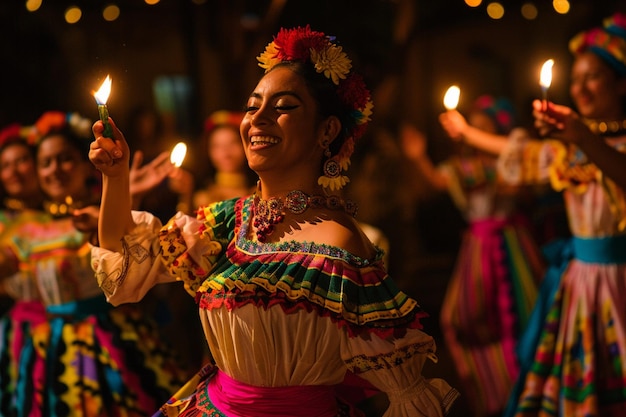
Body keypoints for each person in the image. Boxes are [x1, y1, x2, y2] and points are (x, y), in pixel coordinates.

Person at [89, 25, 460, 416]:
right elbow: (123, 260)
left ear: (328, 130)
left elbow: (405, 393)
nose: (259, 119)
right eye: (252, 106)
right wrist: (116, 176)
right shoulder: (222, 222)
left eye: (283, 107)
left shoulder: (340, 245)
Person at [445, 13, 626, 417]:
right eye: (575, 79)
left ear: (621, 83)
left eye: (593, 77)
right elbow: (518, 154)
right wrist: (466, 133)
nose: (580, 87)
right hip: (582, 281)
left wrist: (582, 136)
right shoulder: (567, 149)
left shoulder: (589, 142)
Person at [0, 111, 188, 416]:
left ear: (84, 165)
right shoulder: (25, 228)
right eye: (45, 163)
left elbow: (123, 249)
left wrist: (126, 196)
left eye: (65, 159)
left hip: (111, 340)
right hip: (49, 351)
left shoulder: (100, 216)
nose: (55, 170)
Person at [403, 96, 546, 417]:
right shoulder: (463, 168)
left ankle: (533, 389)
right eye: (469, 127)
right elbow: (437, 181)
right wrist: (417, 157)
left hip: (513, 244)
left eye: (479, 128)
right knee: (465, 317)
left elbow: (525, 189)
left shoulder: (512, 161)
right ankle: (496, 392)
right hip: (479, 249)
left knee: (526, 312)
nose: (468, 133)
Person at [192, 110, 256, 209]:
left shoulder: (260, 194)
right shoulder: (204, 199)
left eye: (233, 143)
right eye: (217, 146)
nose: (226, 153)